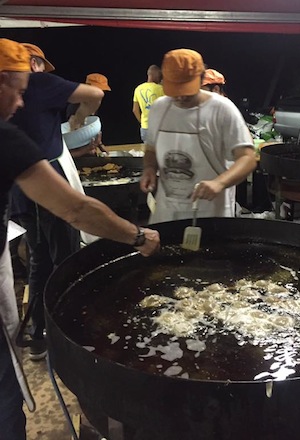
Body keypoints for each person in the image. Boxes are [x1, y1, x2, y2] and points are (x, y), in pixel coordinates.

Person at [0, 38, 160, 440]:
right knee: (4, 404)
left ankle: (37, 333)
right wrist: (137, 235)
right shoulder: (8, 137)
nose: (21, 104)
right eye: (18, 92)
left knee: (39, 258)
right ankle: (46, 335)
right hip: (42, 193)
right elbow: (76, 209)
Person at [10, 43, 107, 360]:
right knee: (67, 260)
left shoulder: (10, 97)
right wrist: (81, 115)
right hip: (48, 183)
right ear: (34, 62)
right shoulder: (38, 81)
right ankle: (70, 335)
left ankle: (39, 334)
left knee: (39, 261)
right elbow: (95, 96)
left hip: (18, 190)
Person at [140, 48, 257, 223]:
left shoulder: (222, 109)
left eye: (186, 89)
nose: (179, 96)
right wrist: (149, 168)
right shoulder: (159, 108)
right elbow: (151, 148)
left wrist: (219, 183)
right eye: (174, 89)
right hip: (167, 209)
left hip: (210, 211)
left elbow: (248, 158)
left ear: (201, 79)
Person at [66, 72, 111, 158]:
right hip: (79, 156)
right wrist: (87, 149)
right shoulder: (75, 105)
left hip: (90, 152)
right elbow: (73, 135)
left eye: (102, 90)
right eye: (98, 89)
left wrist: (100, 145)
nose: (100, 93)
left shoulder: (93, 103)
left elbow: (92, 128)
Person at [132, 64, 164, 143]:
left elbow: (135, 110)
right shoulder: (161, 89)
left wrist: (142, 122)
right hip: (158, 128)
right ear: (156, 75)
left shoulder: (138, 89)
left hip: (145, 128)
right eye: (159, 77)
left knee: (149, 154)